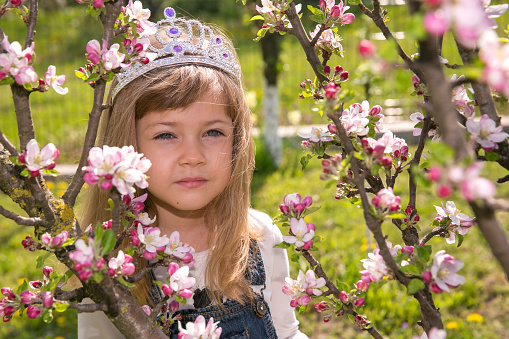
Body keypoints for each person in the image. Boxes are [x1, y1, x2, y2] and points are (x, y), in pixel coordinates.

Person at [78, 6, 308, 339]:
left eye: (213, 132)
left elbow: (286, 333)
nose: (193, 156)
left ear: (236, 141)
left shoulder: (258, 238)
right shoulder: (108, 259)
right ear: (127, 144)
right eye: (166, 135)